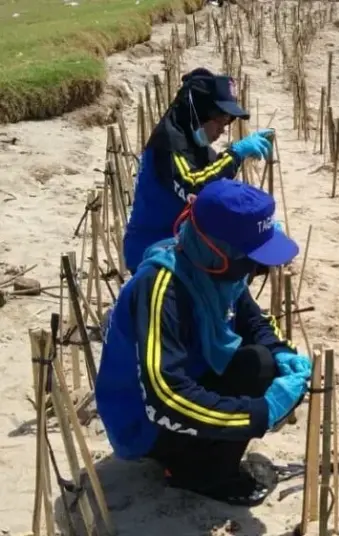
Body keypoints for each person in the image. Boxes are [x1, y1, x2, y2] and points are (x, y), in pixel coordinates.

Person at [96, 179, 310, 506]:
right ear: (218, 251)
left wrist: (281, 352)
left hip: (189, 382)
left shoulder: (212, 267)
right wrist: (260, 413)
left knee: (262, 361)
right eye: (251, 258)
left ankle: (196, 457)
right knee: (256, 371)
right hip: (145, 422)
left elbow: (250, 319)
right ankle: (197, 475)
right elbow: (164, 397)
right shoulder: (161, 288)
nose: (255, 269)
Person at [124, 67, 274, 274]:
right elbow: (193, 186)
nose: (223, 130)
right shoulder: (169, 143)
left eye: (228, 122)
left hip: (185, 242)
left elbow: (217, 183)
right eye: (220, 121)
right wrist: (235, 154)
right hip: (155, 251)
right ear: (198, 113)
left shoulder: (195, 142)